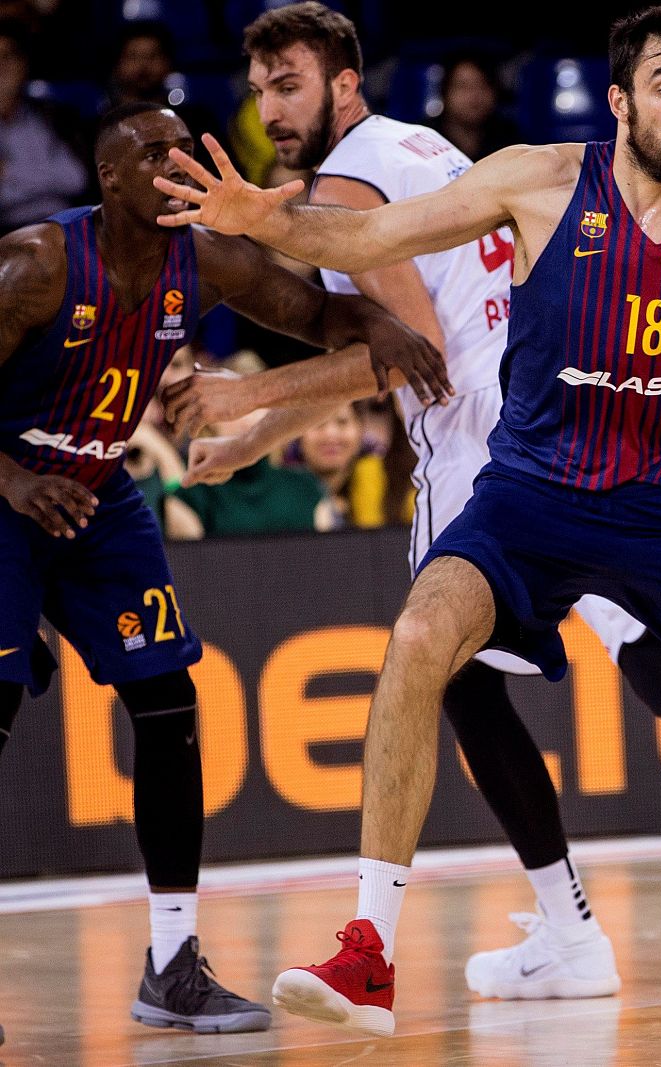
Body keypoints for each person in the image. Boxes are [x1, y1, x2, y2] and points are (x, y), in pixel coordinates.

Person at [156, 7, 661, 1037]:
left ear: (344, 83)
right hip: (532, 480)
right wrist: (264, 220)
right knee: (423, 638)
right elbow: (363, 240)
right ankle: (371, 944)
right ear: (618, 101)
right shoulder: (519, 172)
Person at [0, 101, 445, 1033]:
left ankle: (172, 962)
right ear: (109, 176)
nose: (172, 161)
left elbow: (314, 309)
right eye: (149, 152)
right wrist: (14, 479)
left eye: (180, 146)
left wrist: (382, 329)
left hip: (95, 492)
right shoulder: (37, 264)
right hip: (9, 494)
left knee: (169, 703)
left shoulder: (199, 259)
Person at [0, 21, 86, 230]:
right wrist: (48, 180)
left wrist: (9, 172)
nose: (1, 65)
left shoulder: (49, 117)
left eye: (9, 56)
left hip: (60, 227)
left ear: (24, 64)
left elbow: (75, 179)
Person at [428, 54, 518, 162]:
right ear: (445, 92)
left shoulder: (510, 140)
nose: (473, 96)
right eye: (463, 86)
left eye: (482, 85)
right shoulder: (427, 137)